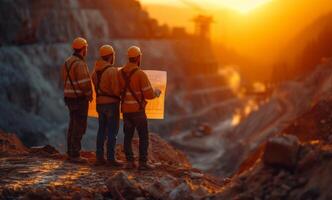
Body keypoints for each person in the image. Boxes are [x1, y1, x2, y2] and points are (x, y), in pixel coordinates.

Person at [119, 46, 161, 170]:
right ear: (138, 58)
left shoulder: (120, 73)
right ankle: (143, 163)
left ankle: (129, 161)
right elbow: (148, 94)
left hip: (126, 111)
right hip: (138, 111)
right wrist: (157, 92)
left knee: (128, 136)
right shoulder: (140, 74)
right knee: (143, 136)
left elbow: (117, 91)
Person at [61, 37, 92, 163]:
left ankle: (70, 152)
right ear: (83, 49)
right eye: (86, 48)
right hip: (79, 98)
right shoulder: (79, 64)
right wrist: (89, 94)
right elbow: (84, 83)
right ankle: (75, 154)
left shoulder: (68, 61)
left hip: (69, 97)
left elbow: (64, 78)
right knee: (79, 125)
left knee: (73, 124)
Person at [91, 45, 122, 166]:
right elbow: (116, 90)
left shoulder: (95, 72)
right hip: (111, 105)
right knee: (112, 132)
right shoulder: (112, 71)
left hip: (100, 104)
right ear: (110, 56)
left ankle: (99, 157)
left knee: (101, 131)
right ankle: (111, 158)